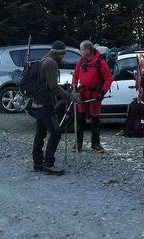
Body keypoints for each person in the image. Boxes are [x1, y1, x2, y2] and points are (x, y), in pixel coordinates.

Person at [31, 41, 78, 175]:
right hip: (45, 104)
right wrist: (69, 96)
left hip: (38, 102)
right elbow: (53, 86)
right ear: (58, 53)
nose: (63, 57)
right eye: (63, 54)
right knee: (56, 132)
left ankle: (38, 162)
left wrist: (63, 88)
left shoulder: (44, 60)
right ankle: (48, 164)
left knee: (40, 133)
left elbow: (48, 84)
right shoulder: (51, 63)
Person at [71, 40, 113, 153]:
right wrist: (74, 89)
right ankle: (78, 143)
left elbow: (108, 79)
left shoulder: (100, 62)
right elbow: (75, 76)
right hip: (82, 93)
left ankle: (95, 144)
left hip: (95, 94)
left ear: (88, 50)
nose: (80, 51)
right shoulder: (81, 61)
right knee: (80, 119)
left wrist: (102, 93)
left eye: (81, 49)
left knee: (95, 120)